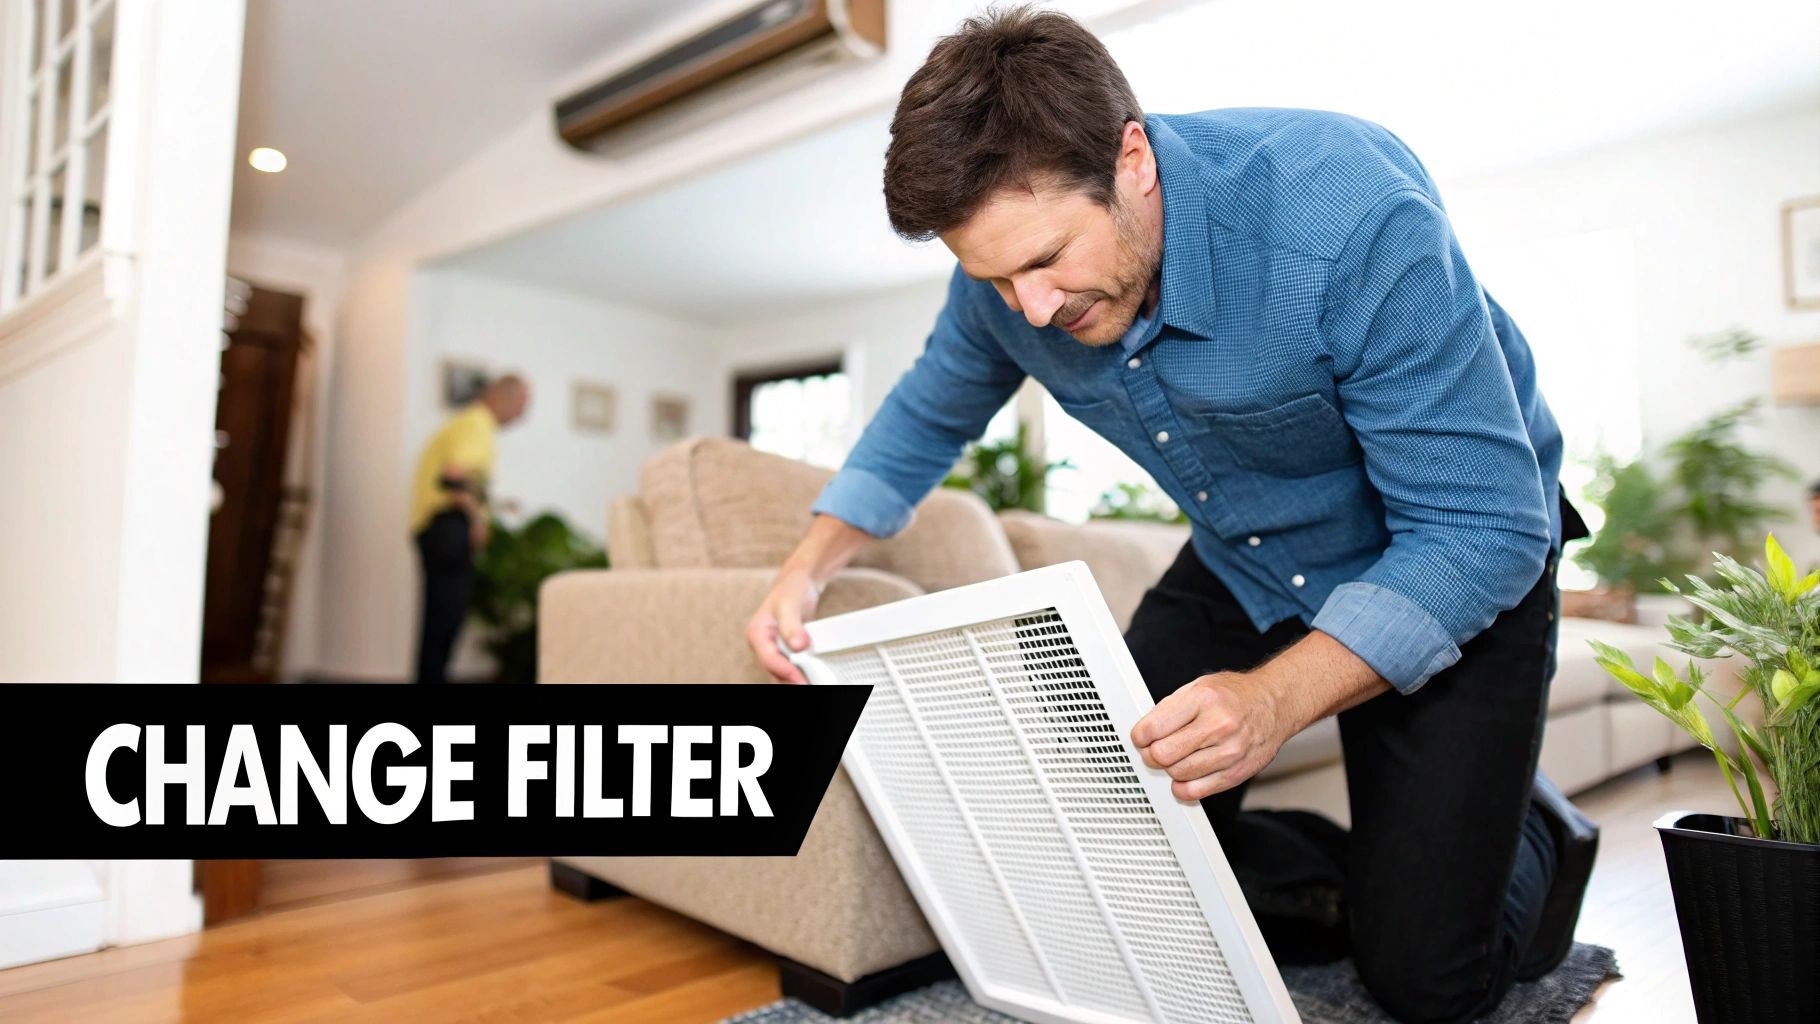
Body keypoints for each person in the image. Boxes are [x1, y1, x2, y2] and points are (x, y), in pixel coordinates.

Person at [744, 9, 1599, 1022]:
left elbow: (1482, 529)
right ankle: (1383, 864)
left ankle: (1530, 825)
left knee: (1423, 978)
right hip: (1248, 554)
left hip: (1451, 551)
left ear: (1132, 159)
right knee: (1110, 868)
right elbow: (923, 416)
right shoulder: (1011, 280)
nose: (1029, 307)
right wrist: (803, 568)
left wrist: (1275, 698)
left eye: (1048, 258)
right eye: (994, 277)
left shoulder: (1348, 214)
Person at [410, 375, 529, 685]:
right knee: (445, 618)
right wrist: (478, 520)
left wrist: (491, 504)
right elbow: (454, 477)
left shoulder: (464, 422)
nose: (521, 415)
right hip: (448, 527)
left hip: (437, 527)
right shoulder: (478, 423)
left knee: (438, 618)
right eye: (521, 405)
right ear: (502, 398)